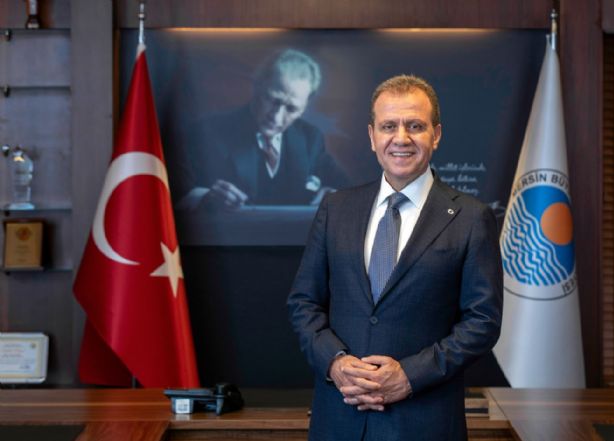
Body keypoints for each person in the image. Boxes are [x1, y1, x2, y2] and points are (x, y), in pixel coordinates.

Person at [287, 75, 503, 441]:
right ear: (372, 136)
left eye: (415, 126)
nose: (401, 138)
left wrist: (409, 376)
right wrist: (335, 363)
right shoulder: (336, 209)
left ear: (436, 134)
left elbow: (482, 322)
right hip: (339, 421)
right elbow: (303, 302)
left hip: (424, 424)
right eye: (389, 126)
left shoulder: (471, 218)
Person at [174, 49, 343, 211]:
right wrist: (205, 198)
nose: (276, 117)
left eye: (291, 109)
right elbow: (172, 195)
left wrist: (335, 196)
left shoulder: (310, 138)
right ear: (257, 87)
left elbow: (348, 189)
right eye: (272, 100)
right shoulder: (205, 132)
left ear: (305, 106)